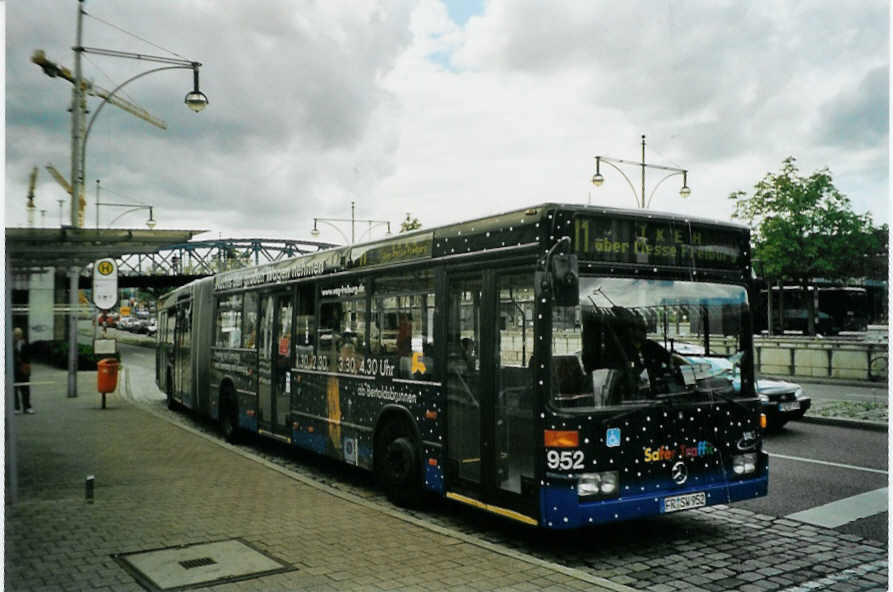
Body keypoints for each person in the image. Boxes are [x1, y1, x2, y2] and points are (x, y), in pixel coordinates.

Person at [13, 328, 34, 414]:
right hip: (13, 369)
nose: (17, 336)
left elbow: (29, 356)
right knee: (14, 390)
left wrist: (28, 369)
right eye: (16, 335)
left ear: (21, 335)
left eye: (19, 334)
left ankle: (27, 407)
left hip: (24, 369)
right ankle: (16, 408)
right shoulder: (9, 344)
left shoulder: (25, 343)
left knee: (25, 388)